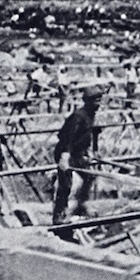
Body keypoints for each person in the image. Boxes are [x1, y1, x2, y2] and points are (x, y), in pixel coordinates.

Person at [51, 84, 105, 227]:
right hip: (65, 152)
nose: (99, 104)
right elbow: (67, 137)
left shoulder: (91, 115)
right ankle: (59, 215)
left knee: (89, 176)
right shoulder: (78, 116)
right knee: (65, 184)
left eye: (100, 100)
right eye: (96, 101)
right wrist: (64, 157)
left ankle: (81, 204)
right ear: (88, 101)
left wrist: (92, 151)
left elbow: (91, 134)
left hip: (78, 153)